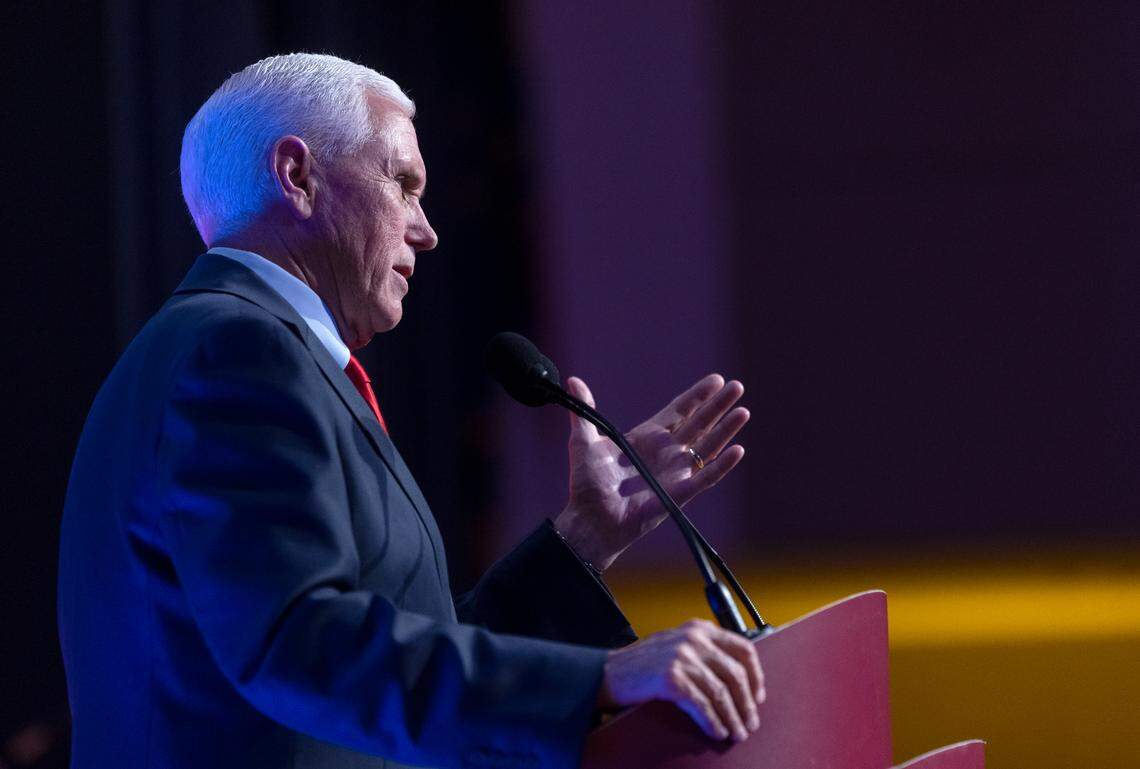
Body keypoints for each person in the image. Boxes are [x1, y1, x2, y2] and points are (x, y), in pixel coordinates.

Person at [58, 53, 763, 769]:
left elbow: (386, 658)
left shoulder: (236, 350)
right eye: (402, 185)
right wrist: (598, 677)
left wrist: (581, 538)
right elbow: (303, 642)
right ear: (298, 177)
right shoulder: (237, 352)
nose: (424, 230)